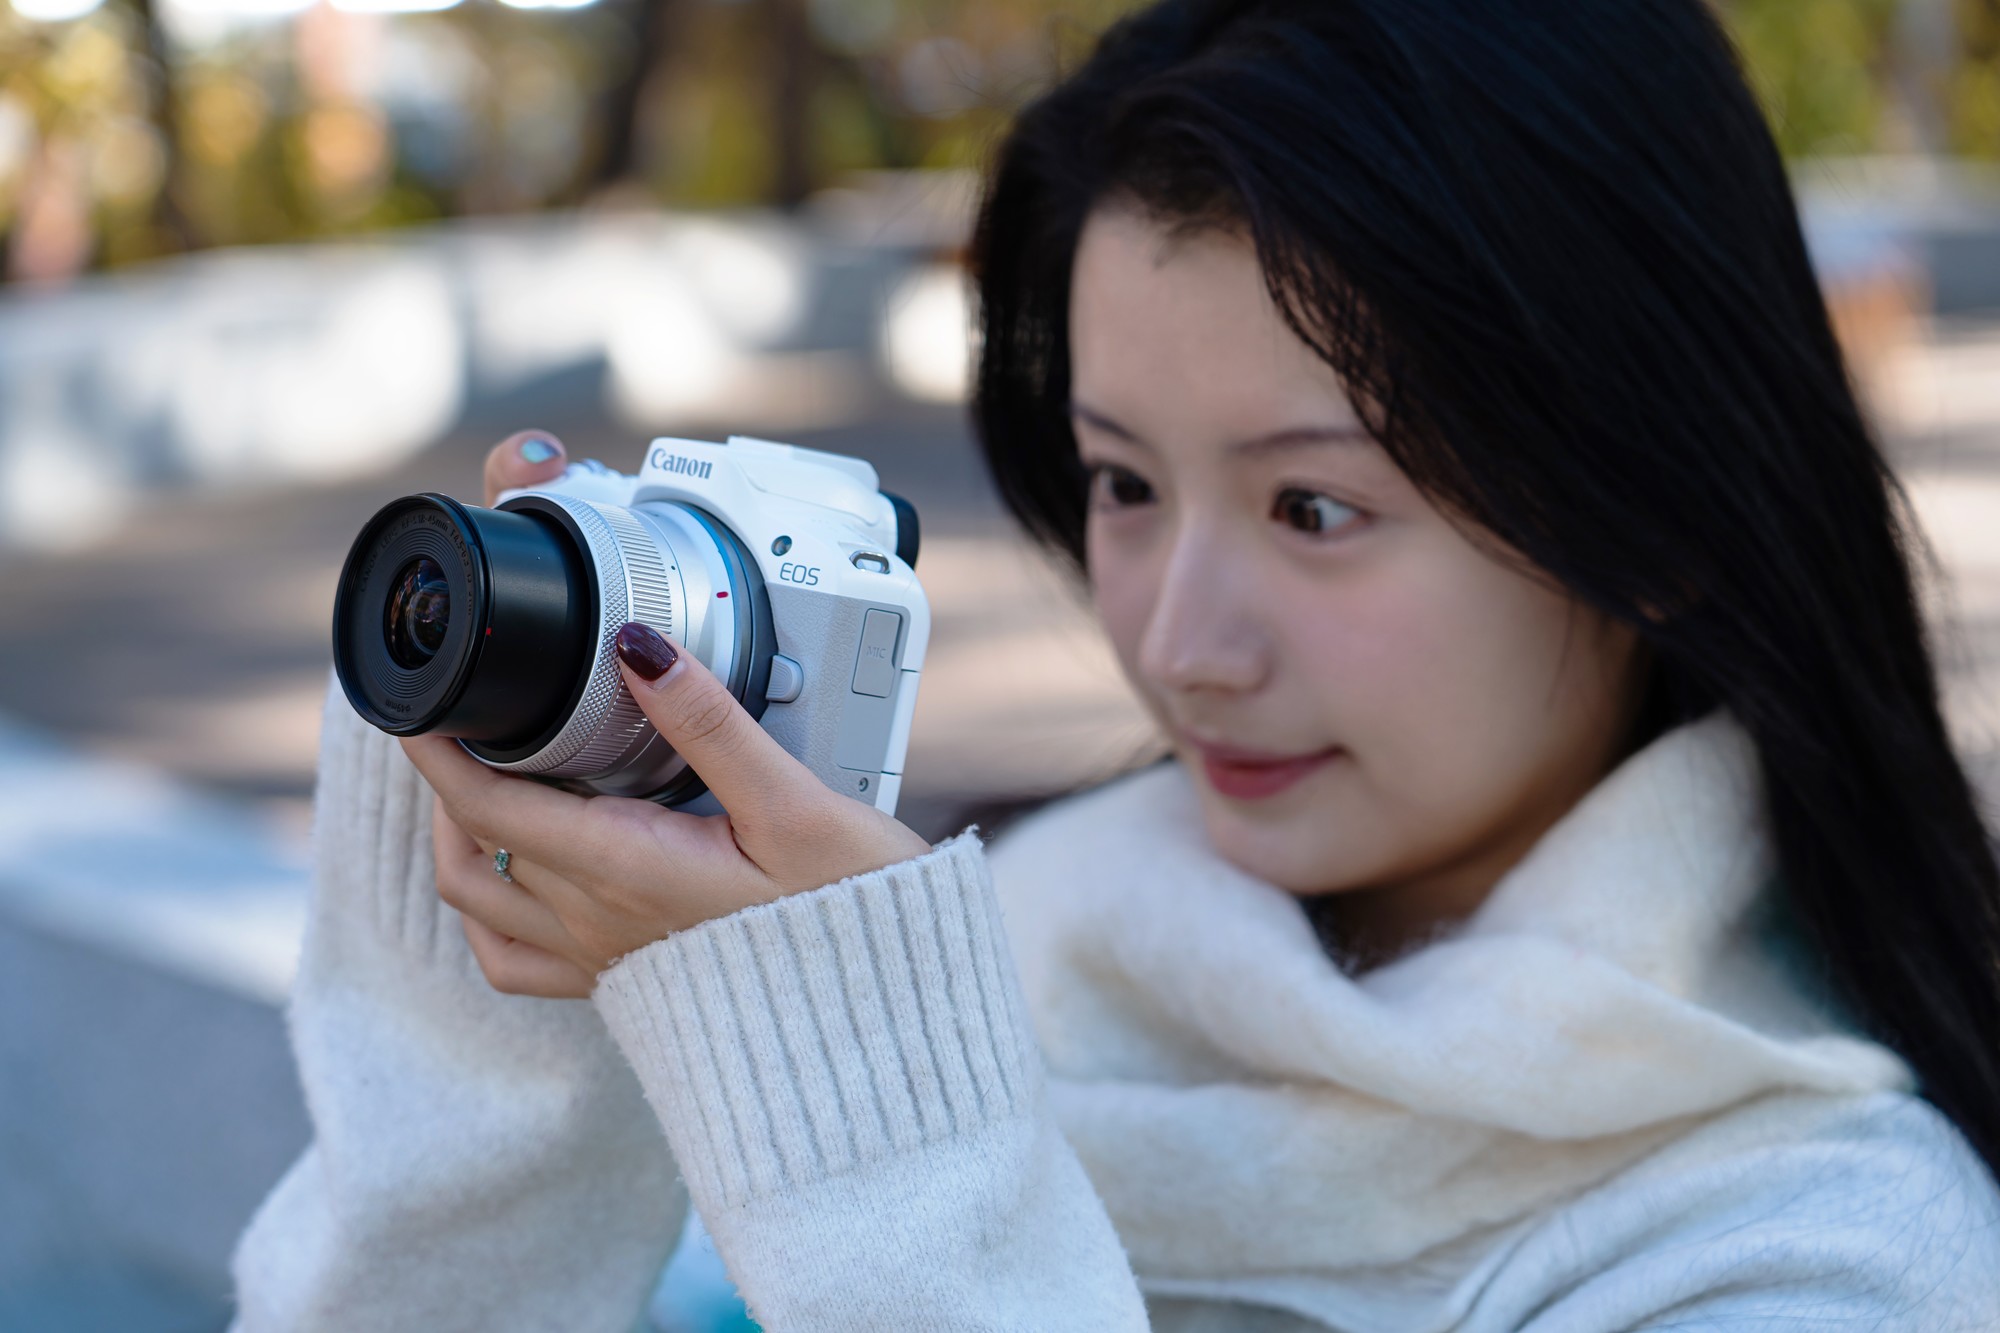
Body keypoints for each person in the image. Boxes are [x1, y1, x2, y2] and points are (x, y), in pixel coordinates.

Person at [230, 0, 2000, 1328]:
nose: (1175, 642)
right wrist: (492, 1029)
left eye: (1316, 507)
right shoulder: (1017, 945)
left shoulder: (1821, 1252)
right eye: (1125, 484)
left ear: (1664, 516)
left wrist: (886, 1135)